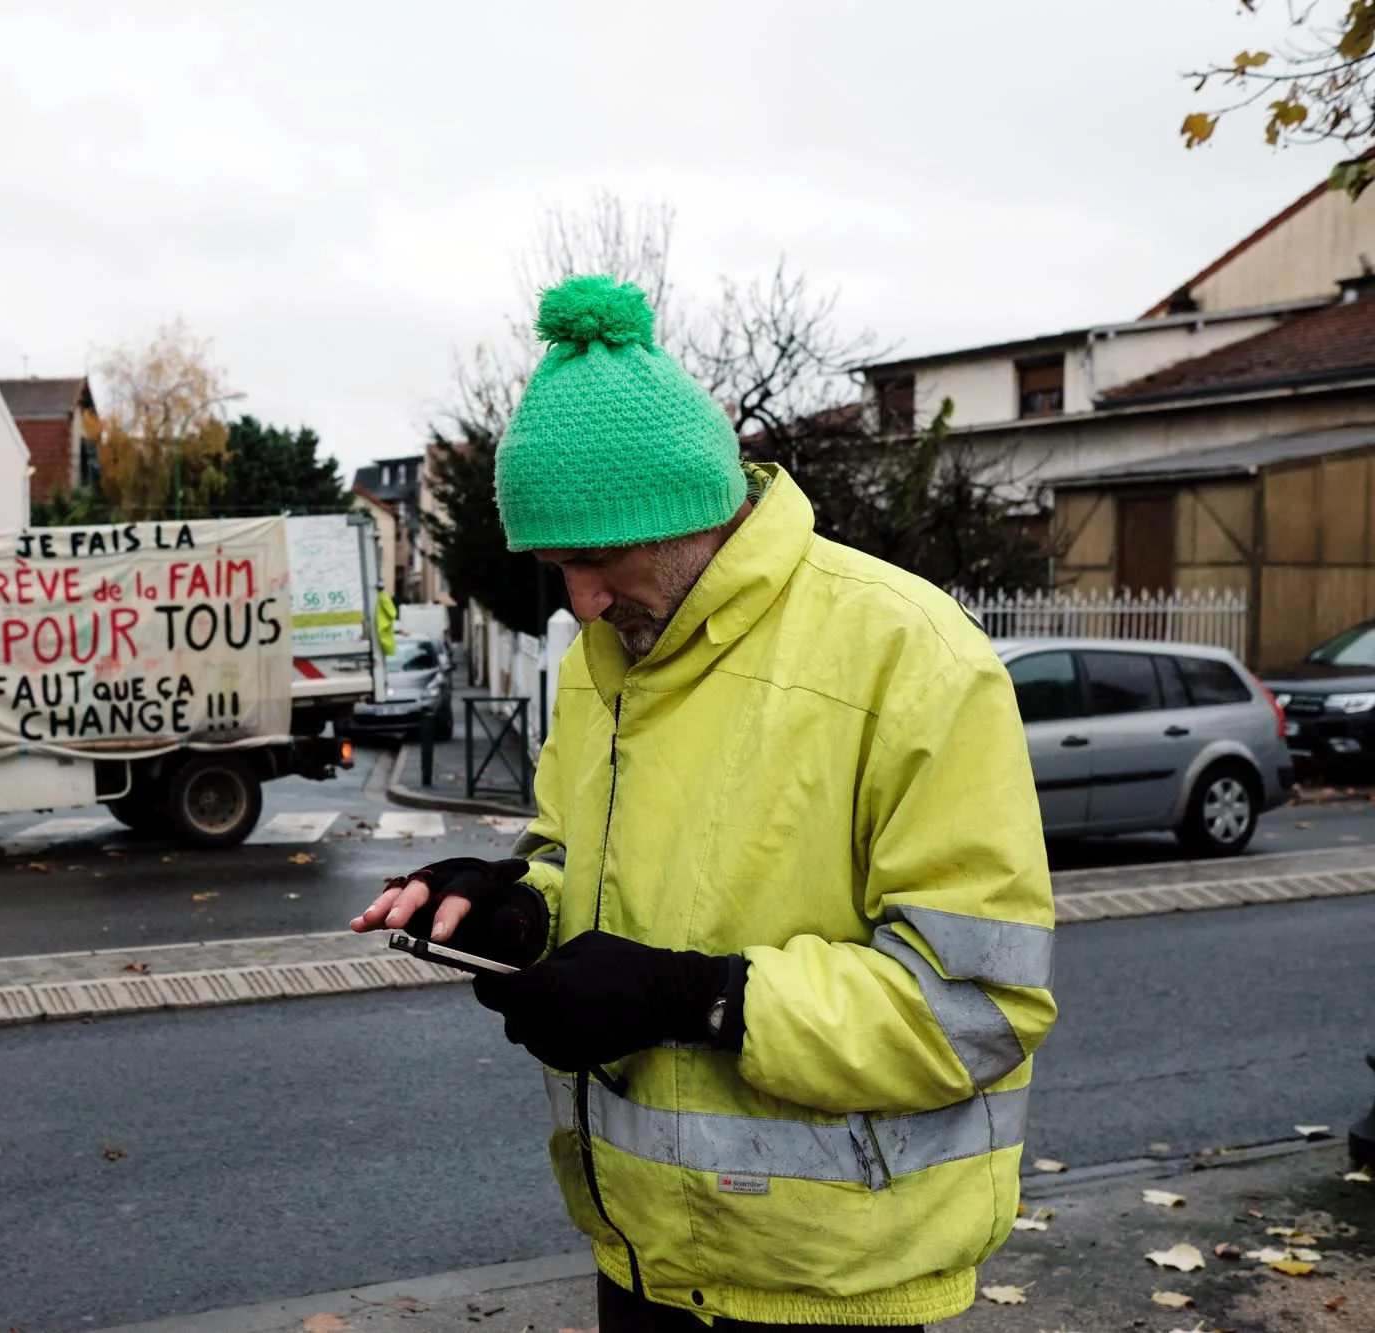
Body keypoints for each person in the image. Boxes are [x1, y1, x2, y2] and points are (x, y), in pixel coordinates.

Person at [351, 275, 1056, 1331]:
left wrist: (694, 999)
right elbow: (580, 857)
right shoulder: (605, 657)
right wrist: (515, 909)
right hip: (639, 1255)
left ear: (688, 515)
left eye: (595, 561)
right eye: (556, 569)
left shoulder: (909, 656)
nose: (578, 603)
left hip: (828, 1285)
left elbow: (973, 1009)